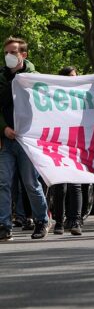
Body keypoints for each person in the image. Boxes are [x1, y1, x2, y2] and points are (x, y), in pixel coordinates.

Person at [0, 37, 51, 241]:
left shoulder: (35, 78)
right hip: (6, 140)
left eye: (13, 52)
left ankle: (41, 220)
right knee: (3, 183)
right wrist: (3, 128)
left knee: (30, 183)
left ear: (24, 54)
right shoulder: (1, 78)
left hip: (27, 141)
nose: (8, 56)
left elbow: (43, 107)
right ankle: (4, 225)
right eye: (6, 53)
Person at [49, 66, 84, 236]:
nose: (74, 79)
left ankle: (76, 221)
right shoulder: (53, 98)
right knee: (60, 185)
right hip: (58, 143)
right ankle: (59, 221)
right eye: (70, 77)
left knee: (75, 184)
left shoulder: (82, 96)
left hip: (76, 142)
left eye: (75, 77)